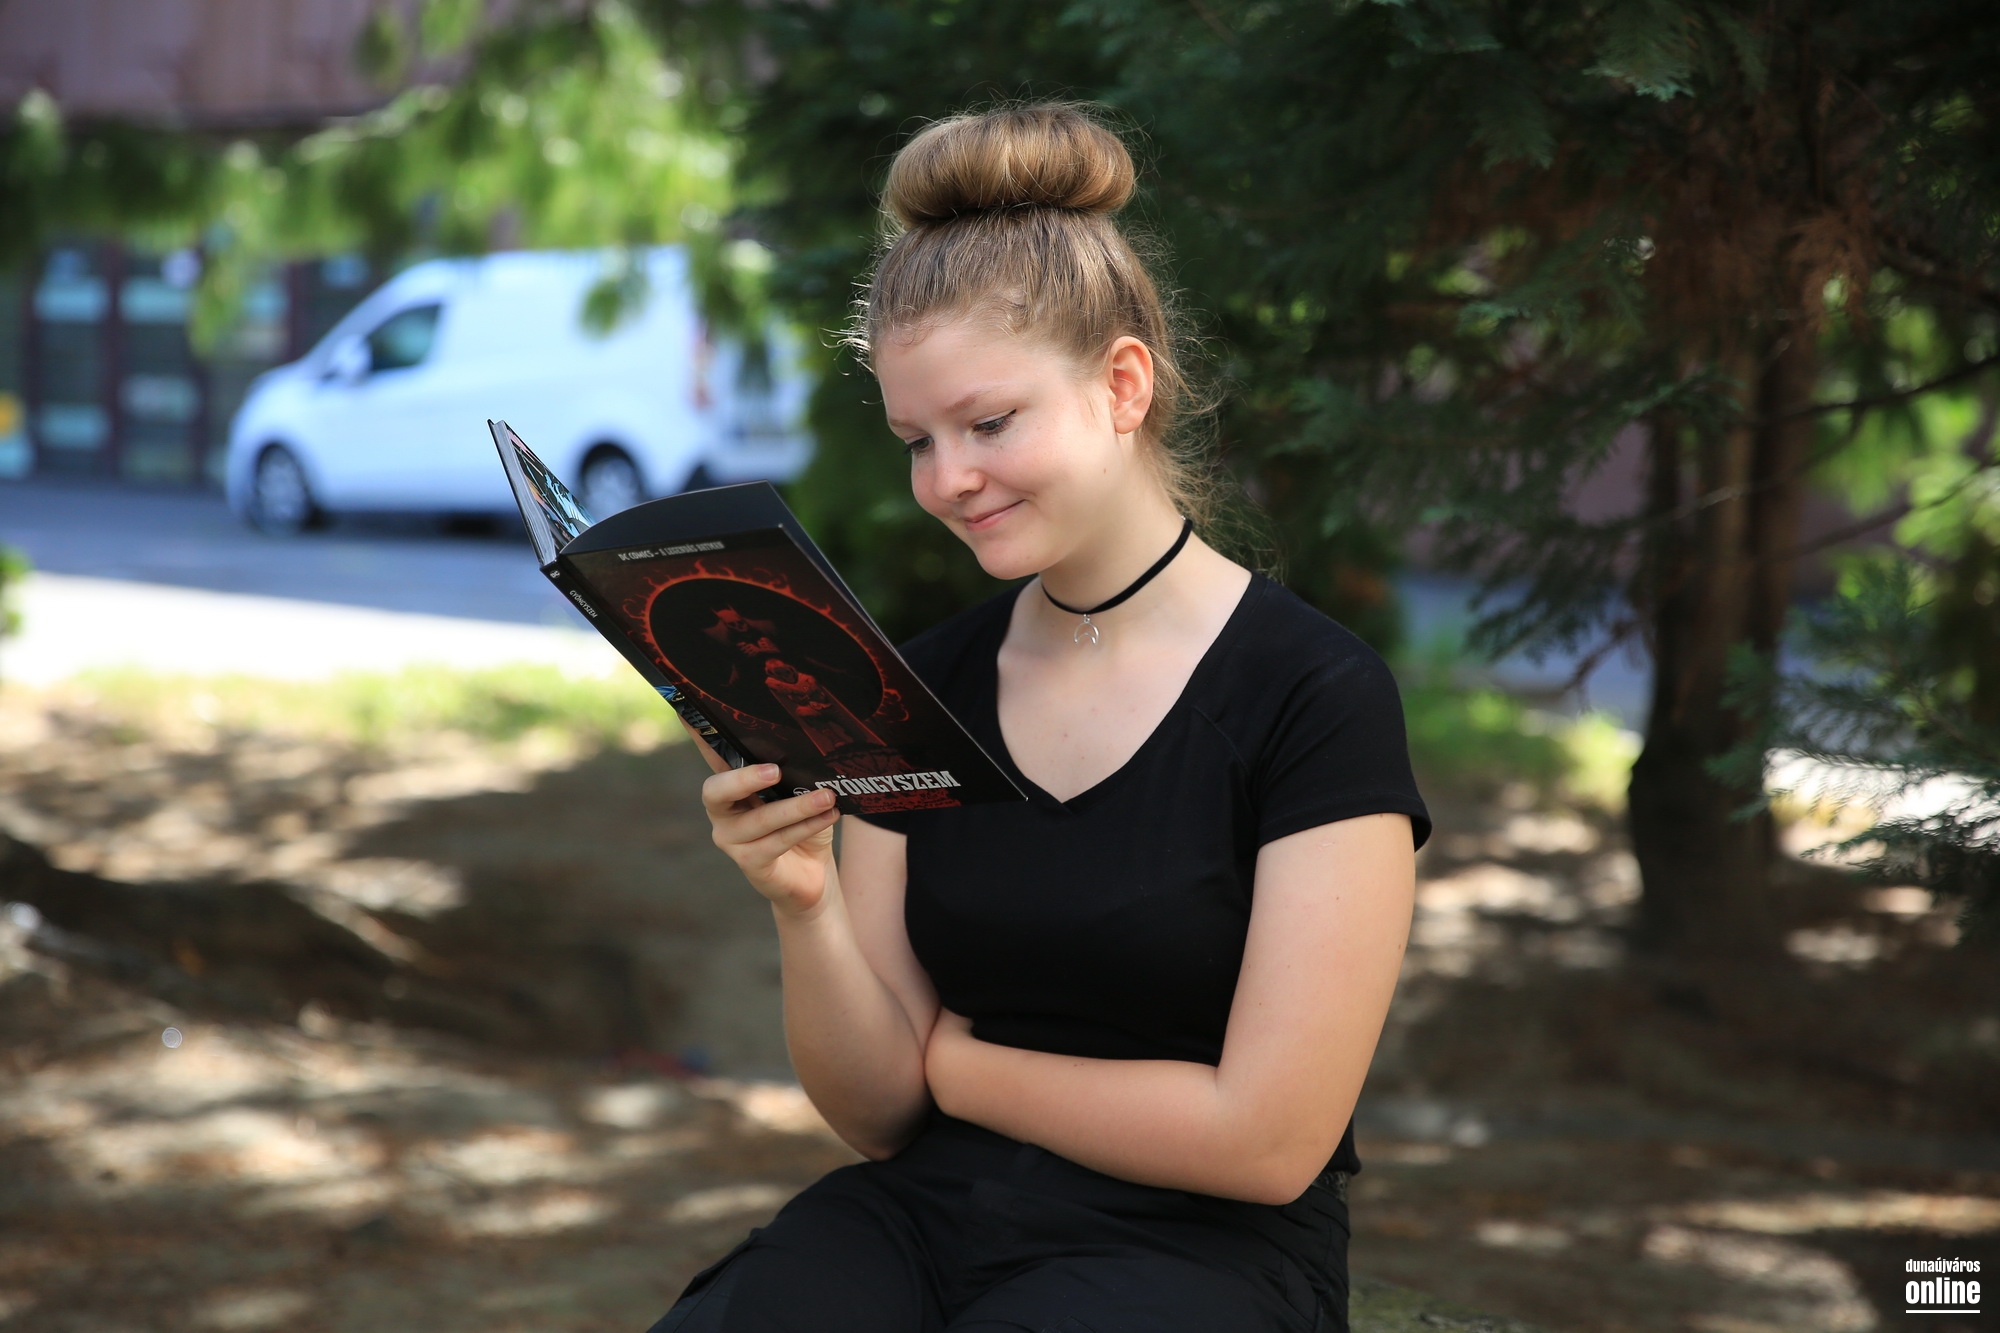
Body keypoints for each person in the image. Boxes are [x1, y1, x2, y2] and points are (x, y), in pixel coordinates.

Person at [649, 102, 1430, 1333]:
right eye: (916, 439)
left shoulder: (1313, 695)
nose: (945, 480)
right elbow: (878, 1114)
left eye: (988, 423)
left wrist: (957, 1065)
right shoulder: (912, 686)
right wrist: (801, 902)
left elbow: (1266, 1140)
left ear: (1122, 385)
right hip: (921, 1215)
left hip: (1201, 1250)